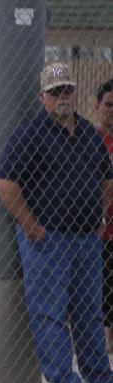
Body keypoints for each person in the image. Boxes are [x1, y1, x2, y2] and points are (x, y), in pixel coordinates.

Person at [0, 63, 113, 383]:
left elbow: (107, 178)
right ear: (42, 96)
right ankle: (63, 381)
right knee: (51, 311)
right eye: (55, 91)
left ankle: (100, 380)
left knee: (90, 309)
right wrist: (30, 226)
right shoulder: (29, 134)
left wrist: (100, 216)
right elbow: (4, 182)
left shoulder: (89, 134)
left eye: (67, 90)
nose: (62, 97)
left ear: (75, 93)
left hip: (87, 238)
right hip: (48, 239)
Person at [94, 79, 113, 353]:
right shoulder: (90, 141)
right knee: (102, 295)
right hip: (99, 233)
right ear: (97, 106)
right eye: (108, 104)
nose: (112, 110)